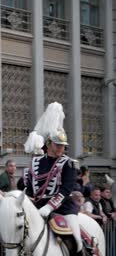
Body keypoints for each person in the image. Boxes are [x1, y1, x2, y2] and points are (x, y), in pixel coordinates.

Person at [23, 102, 82, 254]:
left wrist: (49, 206)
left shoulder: (68, 163)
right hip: (37, 207)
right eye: (57, 145)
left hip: (63, 208)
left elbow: (66, 189)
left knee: (76, 241)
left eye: (63, 145)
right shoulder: (35, 162)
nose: (61, 148)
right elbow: (29, 189)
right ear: (48, 144)